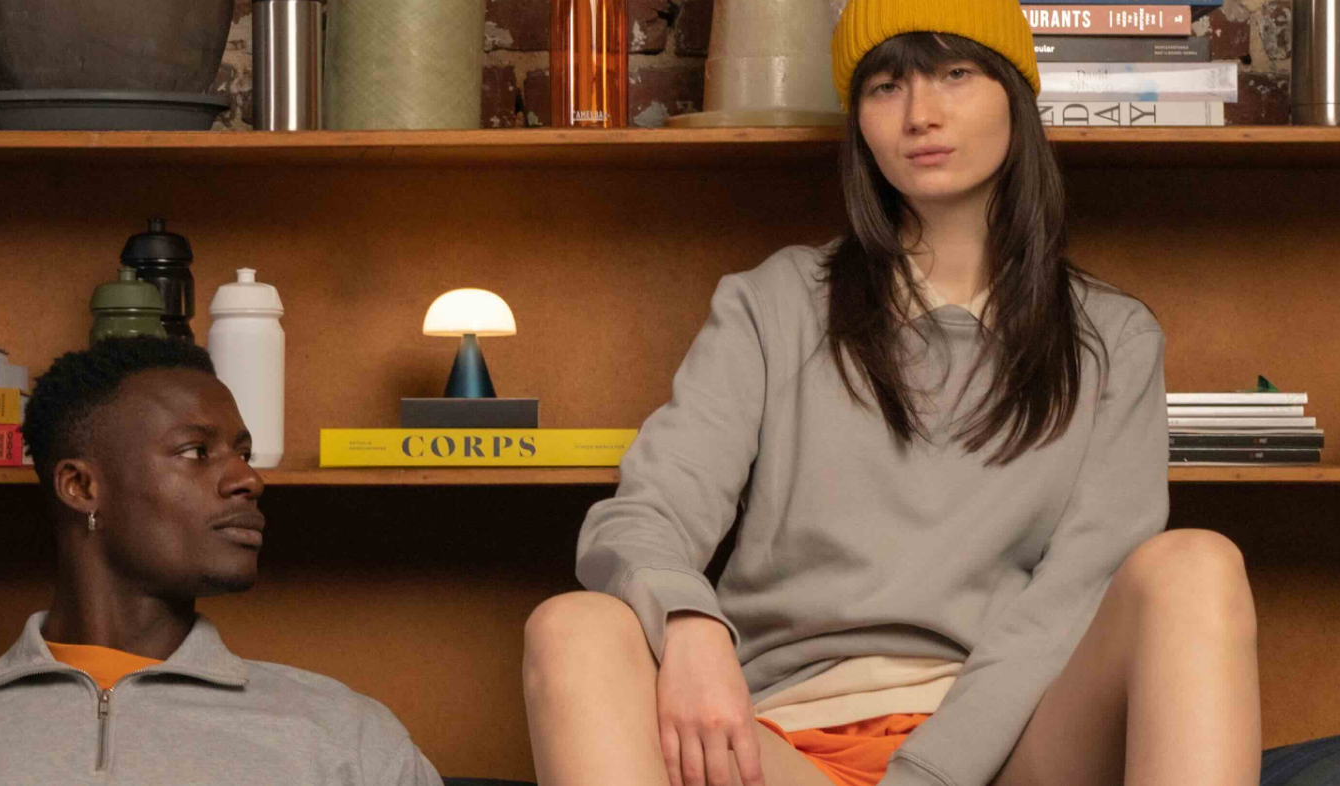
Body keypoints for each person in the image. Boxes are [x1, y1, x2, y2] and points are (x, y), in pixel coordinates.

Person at [515, 1, 1263, 784]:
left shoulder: (1114, 338)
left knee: (1196, 565)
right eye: (885, 87)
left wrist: (928, 774)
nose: (919, 115)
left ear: (1014, 93)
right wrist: (689, 624)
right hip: (779, 747)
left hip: (1006, 748)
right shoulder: (771, 304)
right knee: (574, 627)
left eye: (956, 73)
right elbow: (645, 516)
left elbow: (1076, 593)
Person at [0, 337, 443, 785]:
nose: (248, 479)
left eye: (243, 453)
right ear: (81, 487)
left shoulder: (346, 739)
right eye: (196, 452)